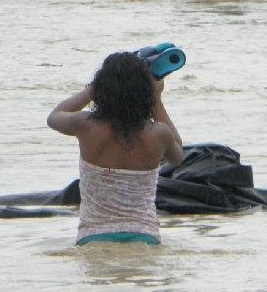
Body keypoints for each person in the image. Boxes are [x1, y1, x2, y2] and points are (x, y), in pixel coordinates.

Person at [46, 51, 183, 246]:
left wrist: (91, 91)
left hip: (93, 236)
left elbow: (54, 117)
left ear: (102, 88)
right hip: (144, 235)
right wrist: (156, 99)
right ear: (144, 92)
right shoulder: (159, 134)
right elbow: (178, 156)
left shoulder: (85, 125)